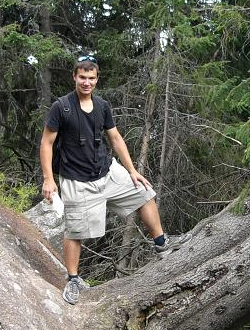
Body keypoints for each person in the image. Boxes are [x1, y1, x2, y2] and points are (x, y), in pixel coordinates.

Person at [40, 55, 190, 304]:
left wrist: (132, 170)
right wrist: (48, 179)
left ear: (97, 79)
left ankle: (161, 243)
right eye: (82, 77)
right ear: (74, 77)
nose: (86, 82)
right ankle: (73, 280)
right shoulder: (61, 107)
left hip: (107, 170)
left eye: (91, 78)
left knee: (144, 193)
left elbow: (116, 138)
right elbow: (46, 143)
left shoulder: (102, 106)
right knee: (75, 231)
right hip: (77, 179)